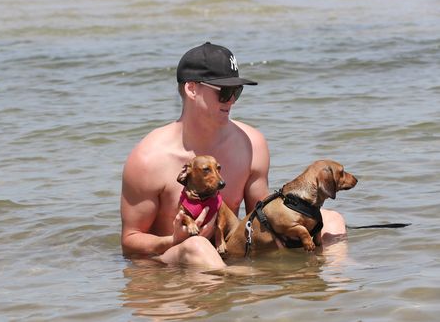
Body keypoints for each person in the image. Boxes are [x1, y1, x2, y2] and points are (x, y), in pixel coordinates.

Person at [120, 42, 347, 269]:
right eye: (224, 93)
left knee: (330, 220)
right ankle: (235, 285)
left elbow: (259, 219)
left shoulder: (251, 143)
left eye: (236, 92)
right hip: (172, 261)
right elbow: (130, 242)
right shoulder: (148, 158)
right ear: (191, 89)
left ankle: (333, 291)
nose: (231, 101)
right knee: (197, 246)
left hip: (227, 252)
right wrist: (173, 240)